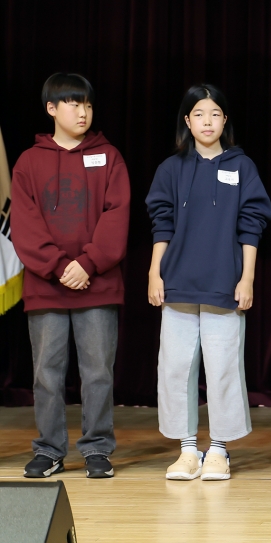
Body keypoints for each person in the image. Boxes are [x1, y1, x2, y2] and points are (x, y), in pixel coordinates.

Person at [145, 84, 271, 482]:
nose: (207, 121)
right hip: (178, 281)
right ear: (187, 120)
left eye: (215, 114)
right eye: (199, 114)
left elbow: (252, 225)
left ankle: (218, 449)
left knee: (223, 367)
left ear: (225, 120)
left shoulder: (242, 166)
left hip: (224, 282)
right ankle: (187, 450)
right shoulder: (171, 169)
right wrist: (154, 272)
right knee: (176, 367)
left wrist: (247, 278)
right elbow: (161, 223)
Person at [11, 73, 130, 479]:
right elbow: (24, 224)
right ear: (51, 109)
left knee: (98, 372)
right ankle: (49, 450)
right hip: (46, 285)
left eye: (88, 105)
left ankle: (97, 448)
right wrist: (60, 266)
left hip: (98, 284)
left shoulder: (108, 156)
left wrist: (88, 263)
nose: (83, 112)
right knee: (46, 373)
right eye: (74, 104)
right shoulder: (28, 162)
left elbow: (117, 215)